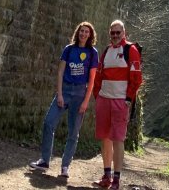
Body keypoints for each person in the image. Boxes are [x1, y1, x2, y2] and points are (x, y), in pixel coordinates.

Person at [29, 22, 99, 179]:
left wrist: (86, 101)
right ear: (77, 32)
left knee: (73, 133)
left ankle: (65, 166)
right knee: (48, 123)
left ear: (91, 35)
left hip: (80, 93)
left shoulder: (93, 53)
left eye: (87, 32)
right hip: (65, 90)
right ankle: (44, 161)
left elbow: (92, 80)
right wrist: (59, 94)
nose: (84, 34)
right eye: (81, 31)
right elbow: (60, 72)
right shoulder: (69, 49)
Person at [91, 20, 141, 189]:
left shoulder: (131, 50)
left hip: (121, 101)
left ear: (124, 33)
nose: (115, 36)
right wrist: (97, 96)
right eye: (112, 33)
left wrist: (128, 99)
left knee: (118, 139)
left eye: (118, 33)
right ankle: (106, 176)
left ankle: (116, 179)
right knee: (105, 137)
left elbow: (136, 78)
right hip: (104, 99)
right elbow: (98, 75)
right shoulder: (106, 51)